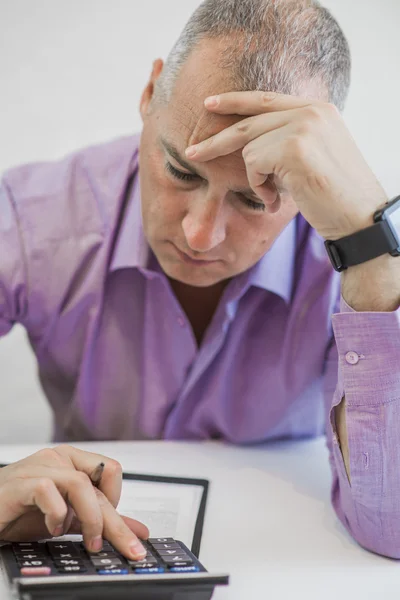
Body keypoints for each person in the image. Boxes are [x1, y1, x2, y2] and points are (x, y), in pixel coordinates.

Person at [0, 0, 399, 563]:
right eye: (180, 171)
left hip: (288, 562)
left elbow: (395, 530)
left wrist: (375, 259)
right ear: (149, 93)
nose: (200, 234)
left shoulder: (364, 248)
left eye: (254, 197)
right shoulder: (33, 216)